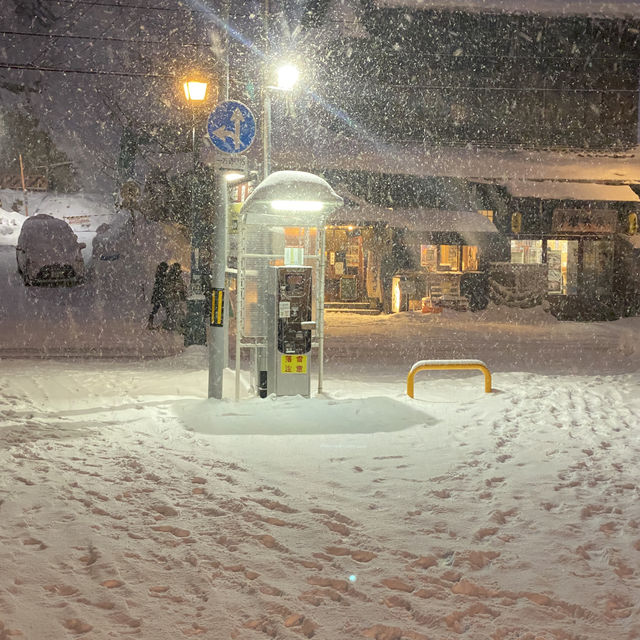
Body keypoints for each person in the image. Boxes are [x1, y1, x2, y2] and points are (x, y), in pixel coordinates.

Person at [163, 262, 187, 332]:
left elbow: (182, 286)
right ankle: (174, 326)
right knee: (173, 312)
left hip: (175, 298)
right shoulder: (170, 277)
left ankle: (176, 326)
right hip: (172, 297)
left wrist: (181, 291)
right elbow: (167, 287)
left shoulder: (177, 277)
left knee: (176, 312)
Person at [147, 261, 169, 330]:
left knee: (156, 309)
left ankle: (150, 323)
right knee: (167, 309)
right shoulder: (161, 275)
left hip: (158, 294)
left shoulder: (159, 274)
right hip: (160, 294)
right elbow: (162, 284)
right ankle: (168, 323)